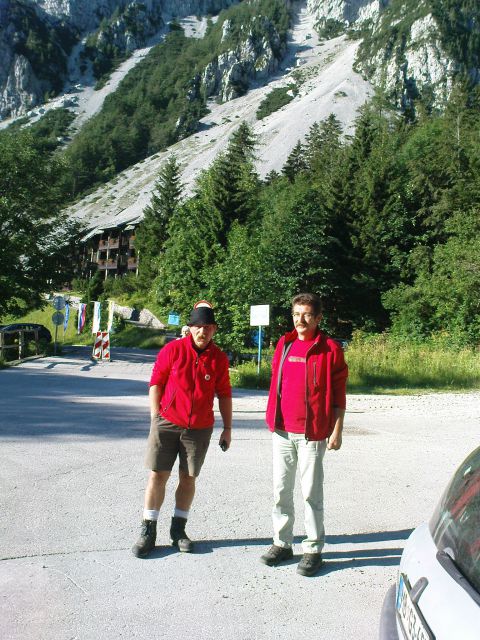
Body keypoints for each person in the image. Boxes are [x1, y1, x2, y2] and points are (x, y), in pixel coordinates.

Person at [132, 304, 232, 558]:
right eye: (199, 327)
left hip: (199, 427)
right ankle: (148, 530)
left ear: (214, 330)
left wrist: (227, 428)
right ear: (190, 328)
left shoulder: (218, 358)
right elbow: (156, 382)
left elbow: (224, 394)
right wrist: (155, 416)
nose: (203, 332)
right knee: (158, 475)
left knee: (188, 478)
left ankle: (178, 530)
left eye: (208, 328)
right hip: (167, 422)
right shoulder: (173, 350)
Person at [261, 292, 348, 576]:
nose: (300, 319)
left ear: (318, 318)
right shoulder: (284, 344)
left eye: (307, 314)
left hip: (312, 434)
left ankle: (313, 549)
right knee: (280, 491)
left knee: (311, 493)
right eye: (296, 314)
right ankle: (282, 543)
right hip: (283, 432)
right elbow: (277, 382)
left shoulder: (330, 349)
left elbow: (338, 395)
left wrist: (337, 430)